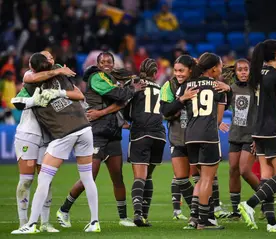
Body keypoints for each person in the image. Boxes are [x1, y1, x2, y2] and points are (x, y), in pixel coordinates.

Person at [11, 53, 100, 234]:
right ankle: (94, 222)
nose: (52, 59)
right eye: (48, 58)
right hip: (83, 130)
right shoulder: (37, 78)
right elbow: (19, 96)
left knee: (44, 178)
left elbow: (79, 94)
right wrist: (33, 101)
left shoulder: (58, 74)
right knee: (87, 178)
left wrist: (57, 92)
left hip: (64, 134)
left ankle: (32, 224)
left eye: (52, 57)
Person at [57, 52, 145, 228]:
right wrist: (132, 90)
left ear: (113, 63)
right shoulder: (97, 78)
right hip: (96, 134)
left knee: (117, 177)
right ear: (98, 64)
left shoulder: (111, 78)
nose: (106, 63)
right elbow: (120, 96)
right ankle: (63, 210)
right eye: (103, 61)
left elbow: (121, 103)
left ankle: (122, 218)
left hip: (112, 134)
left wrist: (104, 113)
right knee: (89, 177)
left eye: (109, 61)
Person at [239, 39, 276, 232]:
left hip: (259, 131)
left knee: (267, 175)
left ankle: (271, 223)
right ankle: (250, 204)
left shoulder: (257, 73)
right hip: (274, 130)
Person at [177, 52, 231, 230]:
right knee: (208, 178)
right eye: (221, 65)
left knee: (200, 179)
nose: (222, 68)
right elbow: (218, 119)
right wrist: (228, 90)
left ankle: (195, 217)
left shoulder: (188, 84)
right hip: (208, 136)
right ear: (214, 68)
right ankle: (204, 220)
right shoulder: (218, 87)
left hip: (190, 136)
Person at [123, 58, 166, 226]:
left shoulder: (135, 85)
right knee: (149, 176)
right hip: (159, 135)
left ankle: (138, 214)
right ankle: (145, 216)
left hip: (141, 133)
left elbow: (125, 108)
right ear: (155, 74)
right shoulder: (160, 88)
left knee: (140, 176)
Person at [160, 55, 198, 220]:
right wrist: (182, 99)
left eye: (181, 70)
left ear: (190, 70)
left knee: (202, 178)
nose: (178, 74)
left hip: (197, 137)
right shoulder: (168, 85)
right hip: (177, 137)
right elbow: (165, 111)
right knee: (182, 179)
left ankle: (209, 212)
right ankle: (196, 212)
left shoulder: (199, 83)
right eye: (176, 70)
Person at [222, 59, 259, 218]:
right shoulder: (231, 89)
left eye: (246, 69)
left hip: (252, 136)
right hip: (235, 134)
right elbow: (217, 107)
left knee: (244, 170)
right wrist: (218, 122)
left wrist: (258, 137)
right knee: (233, 171)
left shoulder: (256, 89)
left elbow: (262, 113)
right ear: (235, 72)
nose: (243, 72)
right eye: (240, 70)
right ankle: (236, 211)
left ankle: (265, 197)